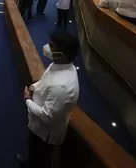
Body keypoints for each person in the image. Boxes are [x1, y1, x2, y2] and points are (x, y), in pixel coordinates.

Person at [18, 30, 79, 168]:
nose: (46, 47)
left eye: (51, 46)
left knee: (40, 156)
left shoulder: (61, 87)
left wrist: (27, 100)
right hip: (38, 123)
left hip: (45, 133)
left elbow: (47, 116)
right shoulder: (59, 64)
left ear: (62, 54)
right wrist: (34, 86)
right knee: (33, 150)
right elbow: (46, 79)